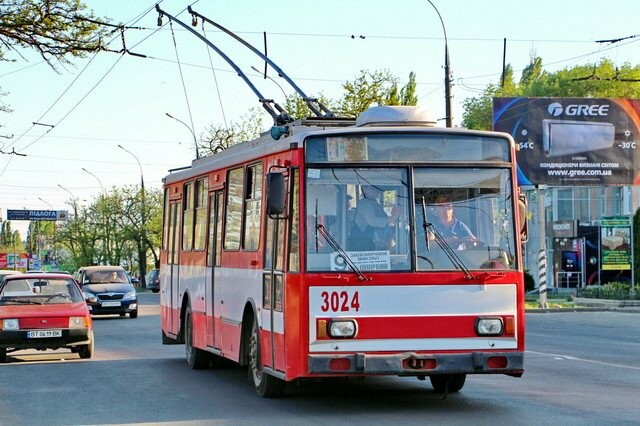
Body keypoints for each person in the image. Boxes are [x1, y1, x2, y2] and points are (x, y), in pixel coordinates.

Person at [348, 185, 401, 250]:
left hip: (374, 241)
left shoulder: (374, 203)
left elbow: (385, 222)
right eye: (373, 188)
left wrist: (393, 215)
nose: (377, 190)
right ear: (365, 189)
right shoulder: (364, 203)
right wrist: (392, 218)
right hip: (364, 244)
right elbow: (372, 221)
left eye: (377, 188)